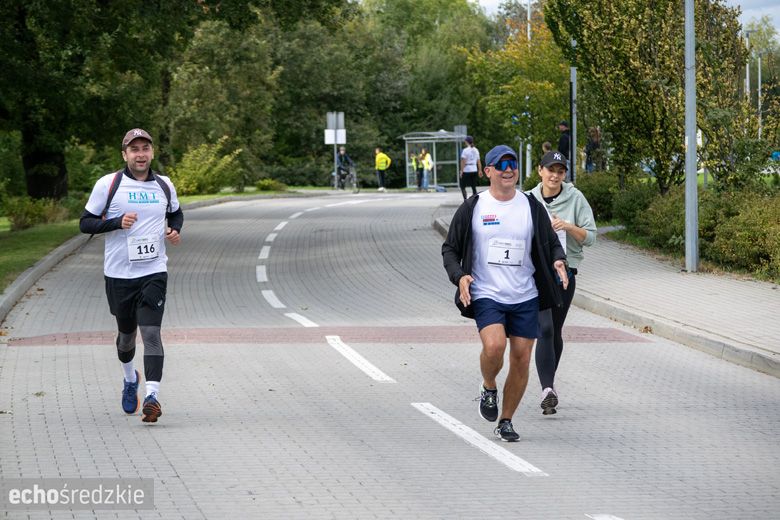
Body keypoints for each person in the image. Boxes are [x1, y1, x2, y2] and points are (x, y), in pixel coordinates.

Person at [442, 144, 569, 442]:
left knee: (522, 358)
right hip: (487, 292)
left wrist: (558, 259)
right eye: (501, 165)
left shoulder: (530, 205)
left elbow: (550, 241)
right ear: (488, 171)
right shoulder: (474, 207)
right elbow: (450, 249)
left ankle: (506, 420)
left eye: (512, 163)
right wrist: (460, 276)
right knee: (495, 346)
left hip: (525, 294)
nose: (508, 169)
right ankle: (489, 386)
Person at [79, 128, 183, 423]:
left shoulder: (164, 185)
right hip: (119, 274)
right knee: (127, 338)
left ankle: (152, 397)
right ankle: (129, 379)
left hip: (153, 271)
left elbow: (176, 213)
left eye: (145, 148)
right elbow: (85, 223)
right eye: (134, 149)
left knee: (151, 333)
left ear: (152, 153)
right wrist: (115, 223)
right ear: (125, 154)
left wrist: (175, 229)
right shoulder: (108, 184)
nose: (140, 154)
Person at [527, 150, 596, 415]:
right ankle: (547, 389)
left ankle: (549, 387)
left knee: (554, 330)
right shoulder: (529, 200)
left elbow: (590, 237)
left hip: (565, 273)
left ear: (564, 174)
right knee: (543, 328)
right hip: (535, 273)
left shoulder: (575, 198)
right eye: (550, 170)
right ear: (540, 171)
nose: (555, 175)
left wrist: (567, 226)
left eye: (560, 171)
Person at [459, 136, 482, 200]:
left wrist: (461, 171)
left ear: (466, 142)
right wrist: (480, 170)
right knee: (473, 186)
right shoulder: (476, 150)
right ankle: (475, 199)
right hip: (474, 169)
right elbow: (478, 161)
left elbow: (463, 161)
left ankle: (465, 199)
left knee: (462, 186)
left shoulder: (465, 150)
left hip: (467, 169)